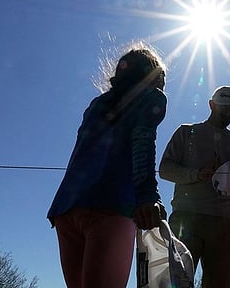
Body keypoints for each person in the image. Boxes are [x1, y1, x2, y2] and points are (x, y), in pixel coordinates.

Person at [47, 41, 168, 288]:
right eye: (161, 80)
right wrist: (148, 197)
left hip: (67, 209)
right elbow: (142, 142)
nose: (163, 87)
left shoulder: (96, 105)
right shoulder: (151, 98)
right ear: (153, 76)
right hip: (112, 206)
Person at [159, 86, 230, 288]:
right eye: (224, 109)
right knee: (177, 282)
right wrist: (196, 174)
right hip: (185, 219)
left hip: (224, 223)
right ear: (211, 105)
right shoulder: (186, 132)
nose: (228, 114)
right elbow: (165, 170)